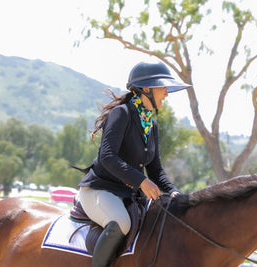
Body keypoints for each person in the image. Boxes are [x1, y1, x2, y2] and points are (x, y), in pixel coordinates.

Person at [77, 61, 190, 267]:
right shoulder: (122, 114)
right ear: (146, 89)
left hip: (129, 195)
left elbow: (155, 169)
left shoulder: (151, 124)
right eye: (163, 88)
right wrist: (141, 182)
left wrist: (175, 194)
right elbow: (107, 157)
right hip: (100, 191)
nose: (166, 94)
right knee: (121, 223)